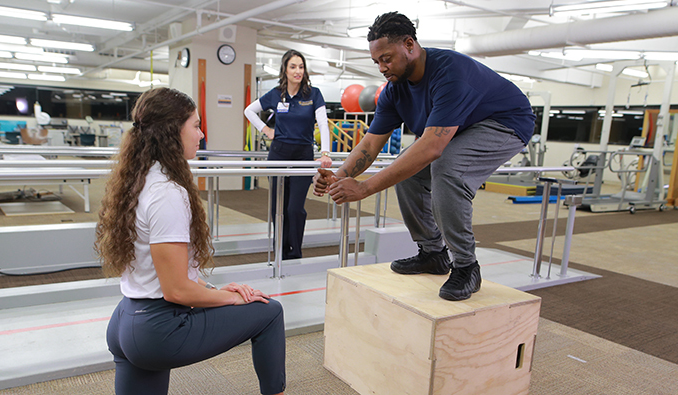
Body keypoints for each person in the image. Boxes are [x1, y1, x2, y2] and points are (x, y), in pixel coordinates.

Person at [314, 12, 536, 301]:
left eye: (387, 58)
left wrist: (366, 187)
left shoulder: (449, 71)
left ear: (409, 44)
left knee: (447, 167)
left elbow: (432, 147)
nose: (382, 67)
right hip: (463, 127)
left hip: (505, 122)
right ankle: (433, 254)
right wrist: (340, 176)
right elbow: (369, 144)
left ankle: (467, 266)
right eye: (377, 61)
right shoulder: (395, 90)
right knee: (406, 173)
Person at [96, 87, 286, 395]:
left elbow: (167, 279)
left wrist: (213, 289)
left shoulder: (140, 179)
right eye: (196, 125)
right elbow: (176, 290)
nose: (201, 134)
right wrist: (233, 298)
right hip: (158, 329)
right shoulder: (167, 193)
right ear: (172, 132)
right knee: (269, 312)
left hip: (126, 322)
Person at [244, 49, 332, 260]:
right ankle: (280, 250)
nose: (297, 71)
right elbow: (249, 110)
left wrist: (325, 152)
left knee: (294, 208)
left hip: (303, 154)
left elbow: (322, 123)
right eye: (293, 66)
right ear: (285, 69)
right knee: (278, 206)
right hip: (279, 153)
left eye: (301, 67)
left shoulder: (313, 94)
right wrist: (266, 130)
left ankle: (295, 251)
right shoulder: (276, 94)